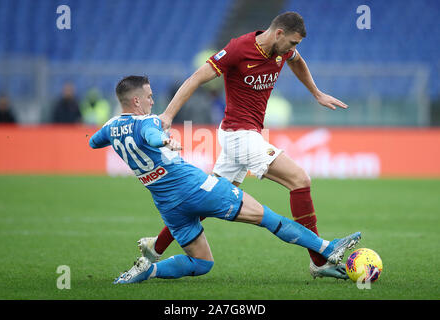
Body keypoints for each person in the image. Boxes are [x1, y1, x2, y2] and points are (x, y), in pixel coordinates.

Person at [88, 75, 361, 284]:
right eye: (148, 96)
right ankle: (327, 248)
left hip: (168, 205)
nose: (152, 100)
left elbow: (92, 142)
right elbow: (151, 136)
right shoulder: (147, 122)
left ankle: (150, 269)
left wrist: (119, 133)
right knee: (269, 218)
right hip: (199, 189)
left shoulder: (111, 127)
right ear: (136, 101)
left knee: (202, 263)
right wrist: (164, 140)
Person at [140, 11, 351, 279]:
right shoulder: (239, 48)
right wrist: (168, 115)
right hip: (239, 135)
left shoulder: (283, 51)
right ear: (279, 34)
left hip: (243, 135)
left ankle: (154, 248)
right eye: (293, 43)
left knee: (203, 201)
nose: (293, 49)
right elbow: (196, 78)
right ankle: (320, 261)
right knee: (300, 179)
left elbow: (297, 61)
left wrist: (316, 93)